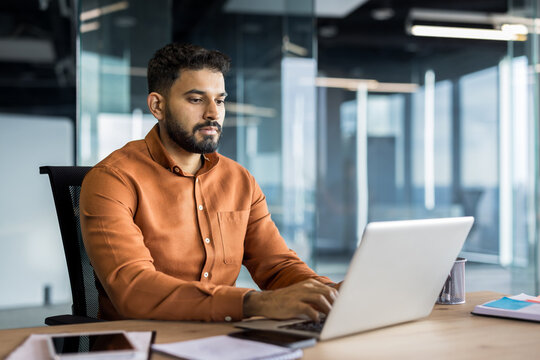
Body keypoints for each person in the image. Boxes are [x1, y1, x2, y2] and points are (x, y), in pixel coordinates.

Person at [80, 43, 338, 323]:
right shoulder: (112, 179)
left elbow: (276, 266)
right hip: (142, 345)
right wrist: (252, 303)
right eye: (196, 99)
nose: (213, 113)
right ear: (157, 105)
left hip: (225, 341)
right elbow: (134, 288)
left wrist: (329, 293)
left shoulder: (240, 181)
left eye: (220, 100)